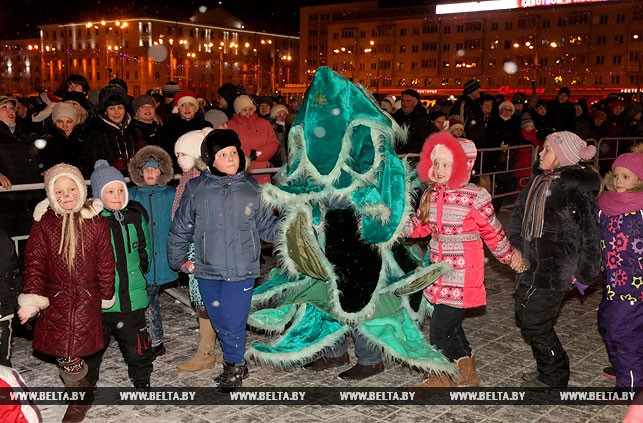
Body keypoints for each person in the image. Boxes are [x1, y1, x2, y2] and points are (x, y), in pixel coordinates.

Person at [406, 132, 522, 387]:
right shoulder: (431, 194)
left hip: (463, 269)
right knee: (451, 325)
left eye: (446, 164)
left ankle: (442, 375)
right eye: (436, 163)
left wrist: (509, 257)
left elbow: (492, 231)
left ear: (462, 166)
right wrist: (396, 227)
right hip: (438, 267)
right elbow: (420, 227)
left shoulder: (475, 196)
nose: (439, 169)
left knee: (439, 327)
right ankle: (467, 372)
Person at [167, 129, 279, 392]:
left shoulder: (253, 189)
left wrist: (293, 226)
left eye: (233, 153)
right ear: (209, 160)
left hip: (242, 268)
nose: (230, 158)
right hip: (207, 267)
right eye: (223, 154)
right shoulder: (196, 189)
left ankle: (234, 365)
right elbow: (182, 226)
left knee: (233, 321)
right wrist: (179, 259)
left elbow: (267, 228)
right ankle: (236, 358)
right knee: (217, 319)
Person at [18, 163, 115, 422]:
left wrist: (106, 294)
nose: (66, 196)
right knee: (65, 353)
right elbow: (35, 263)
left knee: (73, 351)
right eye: (58, 192)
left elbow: (106, 262)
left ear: (81, 190)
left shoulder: (97, 223)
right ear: (51, 195)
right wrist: (32, 299)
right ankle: (81, 391)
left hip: (87, 297)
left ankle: (79, 396)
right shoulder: (45, 223)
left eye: (71, 189)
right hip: (55, 298)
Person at [508, 131, 601, 388]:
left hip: (559, 269)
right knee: (524, 314)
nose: (540, 154)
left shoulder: (575, 190)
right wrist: (514, 247)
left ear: (562, 157)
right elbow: (517, 218)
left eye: (547, 150)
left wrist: (585, 272)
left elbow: (591, 233)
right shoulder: (537, 183)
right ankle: (550, 369)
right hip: (530, 264)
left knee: (535, 320)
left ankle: (554, 376)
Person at [84, 160, 154, 390]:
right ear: (98, 195)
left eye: (120, 190)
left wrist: (140, 272)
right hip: (101, 300)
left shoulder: (135, 216)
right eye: (109, 191)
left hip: (132, 297)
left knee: (137, 344)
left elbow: (145, 249)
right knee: (92, 347)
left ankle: (141, 376)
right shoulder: (92, 221)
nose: (116, 195)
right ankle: (86, 383)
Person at [171, 128, 224, 372]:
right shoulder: (187, 181)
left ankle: (211, 352)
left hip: (205, 249)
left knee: (210, 300)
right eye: (177, 154)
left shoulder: (200, 182)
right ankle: (213, 350)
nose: (178, 159)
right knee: (205, 300)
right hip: (195, 248)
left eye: (183, 154)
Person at [597, 152, 643, 389]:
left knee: (624, 333)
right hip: (613, 282)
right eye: (616, 176)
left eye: (626, 177)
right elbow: (597, 241)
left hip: (636, 286)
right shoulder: (605, 206)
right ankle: (626, 368)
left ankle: (631, 385)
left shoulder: (641, 209)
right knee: (607, 324)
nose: (619, 181)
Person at [128, 146, 177, 359]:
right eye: (145, 169)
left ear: (163, 171)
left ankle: (153, 340)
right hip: (140, 258)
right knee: (146, 298)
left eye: (155, 169)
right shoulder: (130, 194)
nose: (149, 172)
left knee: (148, 298)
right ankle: (151, 340)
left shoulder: (172, 194)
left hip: (163, 256)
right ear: (138, 171)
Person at [84, 84, 139, 175]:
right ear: (105, 111)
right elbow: (90, 163)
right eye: (111, 108)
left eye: (120, 107)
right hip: (109, 182)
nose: (116, 112)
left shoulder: (135, 130)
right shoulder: (96, 133)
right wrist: (110, 166)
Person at [227, 95, 280, 184]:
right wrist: (248, 154)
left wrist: (257, 154)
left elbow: (273, 144)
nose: (248, 113)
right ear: (238, 111)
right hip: (240, 171)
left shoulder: (264, 124)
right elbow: (231, 146)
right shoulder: (231, 126)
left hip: (262, 171)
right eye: (244, 110)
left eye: (250, 109)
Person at [0, 229, 23, 367]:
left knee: (2, 362)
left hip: (3, 309)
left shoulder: (3, 238)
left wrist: (18, 297)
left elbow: (14, 271)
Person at [392, 88, 432, 154]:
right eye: (402, 100)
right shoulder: (396, 116)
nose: (404, 104)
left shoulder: (422, 119)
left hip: (414, 156)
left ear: (415, 102)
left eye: (408, 101)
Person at [450, 79, 485, 149]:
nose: (479, 91)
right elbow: (456, 123)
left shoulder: (476, 104)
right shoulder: (462, 104)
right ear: (471, 91)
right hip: (466, 144)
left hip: (476, 144)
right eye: (477, 89)